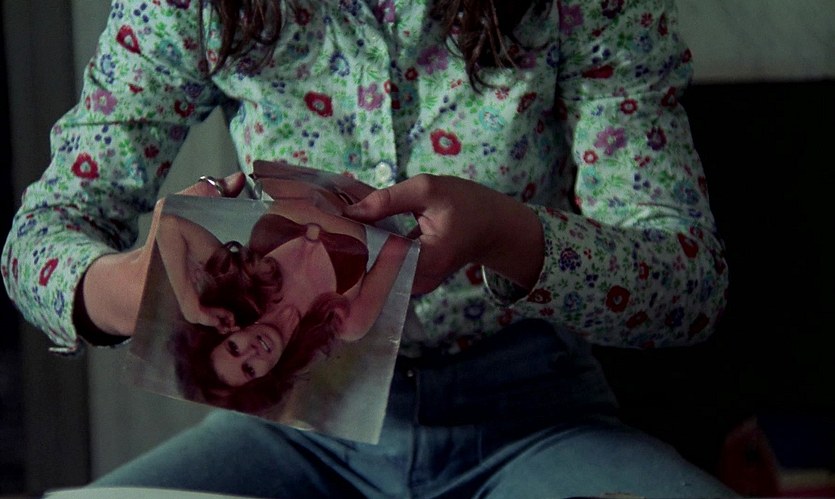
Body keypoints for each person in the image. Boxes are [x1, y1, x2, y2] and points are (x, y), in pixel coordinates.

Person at [2, 0, 736, 496]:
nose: (250, 348)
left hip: (535, 416)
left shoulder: (587, 8)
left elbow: (690, 286)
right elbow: (41, 236)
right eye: (248, 358)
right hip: (295, 432)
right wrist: (135, 288)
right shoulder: (189, 7)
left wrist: (503, 233)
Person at [155, 198, 411, 413]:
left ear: (225, 333)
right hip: (371, 190)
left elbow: (169, 226)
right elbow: (401, 242)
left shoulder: (239, 276)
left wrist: (190, 306)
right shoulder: (347, 322)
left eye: (233, 347)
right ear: (266, 380)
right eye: (249, 369)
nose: (251, 351)